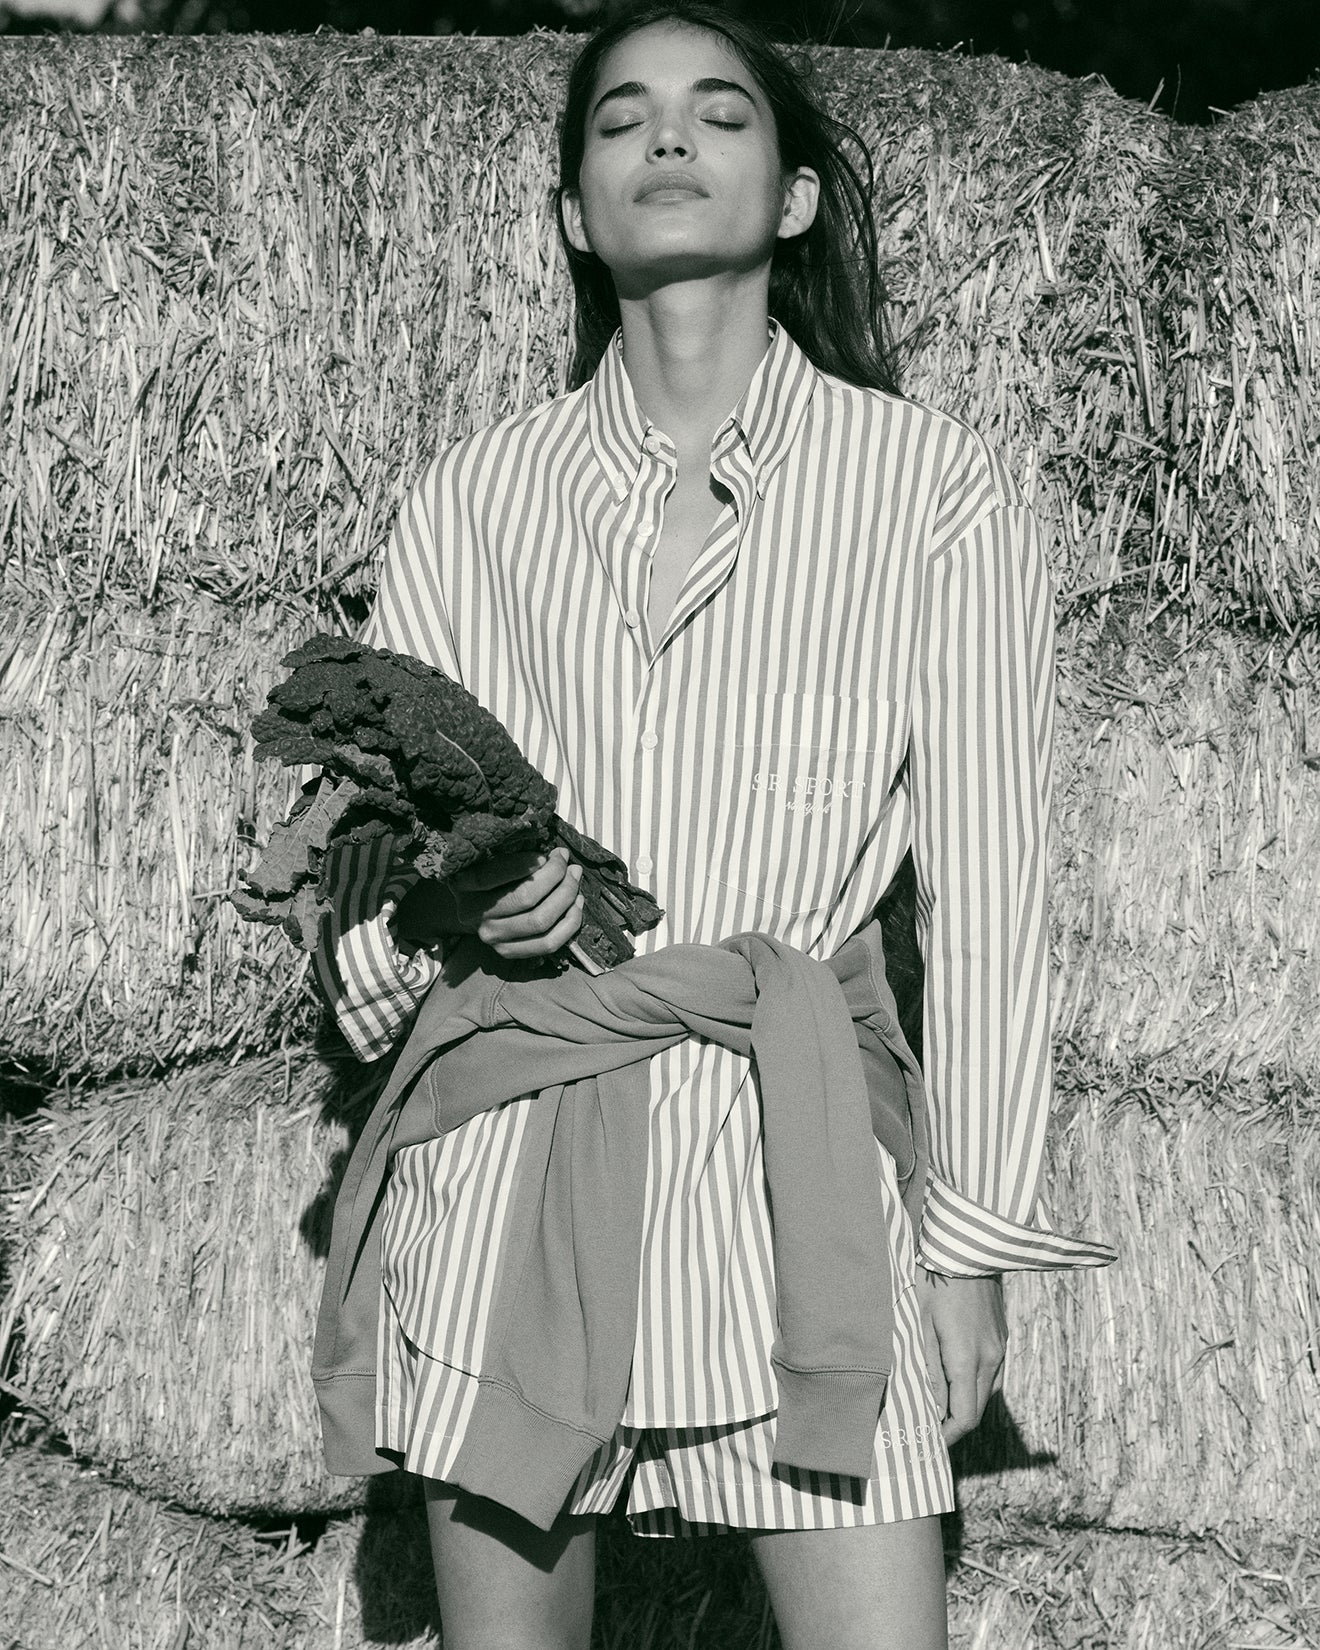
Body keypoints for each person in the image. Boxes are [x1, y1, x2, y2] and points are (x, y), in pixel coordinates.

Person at [316, 5, 1114, 1645]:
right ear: (572, 213)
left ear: (796, 196)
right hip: (515, 1181)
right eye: (621, 119)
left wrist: (966, 1250)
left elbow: (990, 896)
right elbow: (362, 884)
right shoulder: (471, 504)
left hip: (797, 1179)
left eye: (719, 113)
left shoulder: (932, 490)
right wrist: (463, 911)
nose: (667, 137)